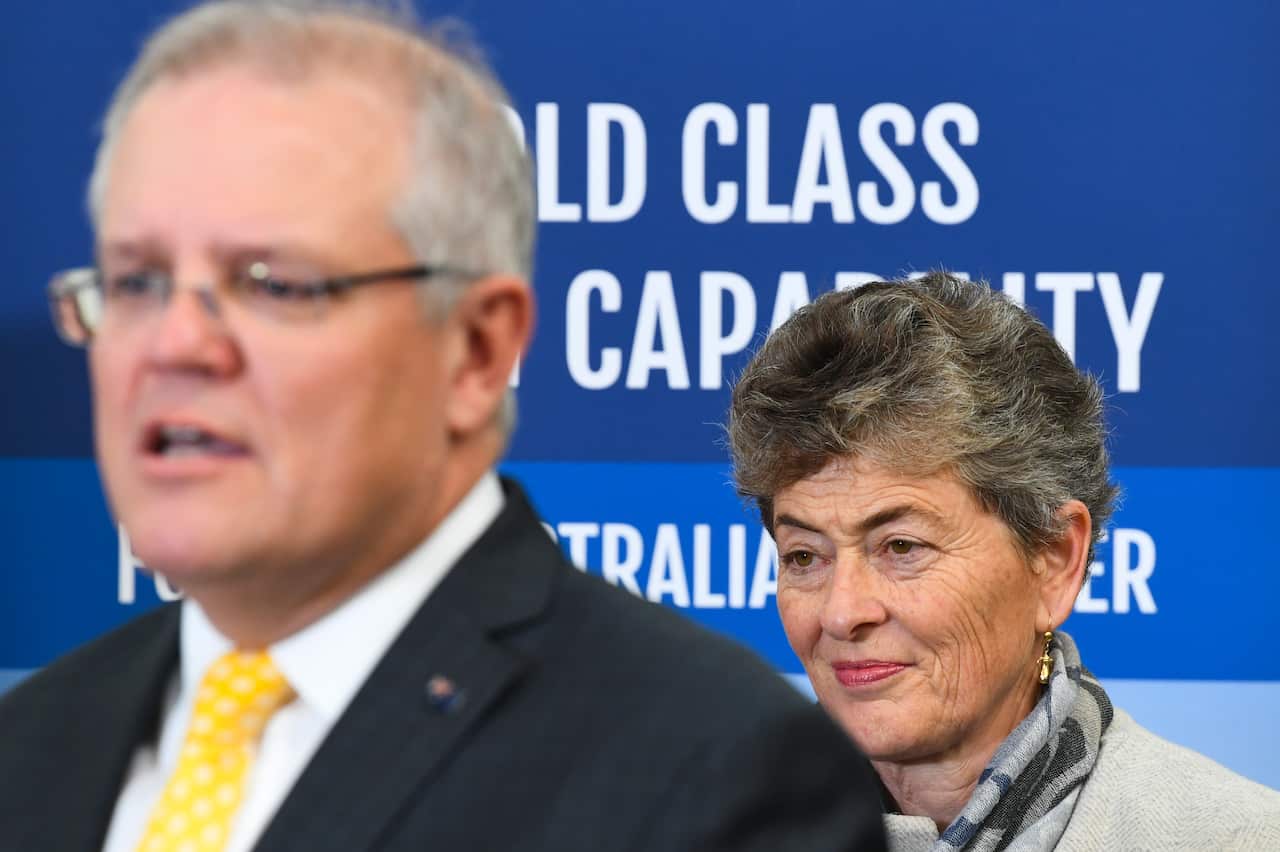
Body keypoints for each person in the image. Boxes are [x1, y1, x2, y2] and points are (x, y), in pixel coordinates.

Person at [0, 3, 887, 851]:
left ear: (473, 350)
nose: (175, 344)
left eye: (271, 283)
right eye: (137, 281)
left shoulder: (713, 776)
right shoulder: (32, 744)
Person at [726, 272, 1280, 851]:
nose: (841, 614)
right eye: (805, 556)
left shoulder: (1235, 838)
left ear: (1055, 559)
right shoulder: (699, 828)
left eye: (901, 547)